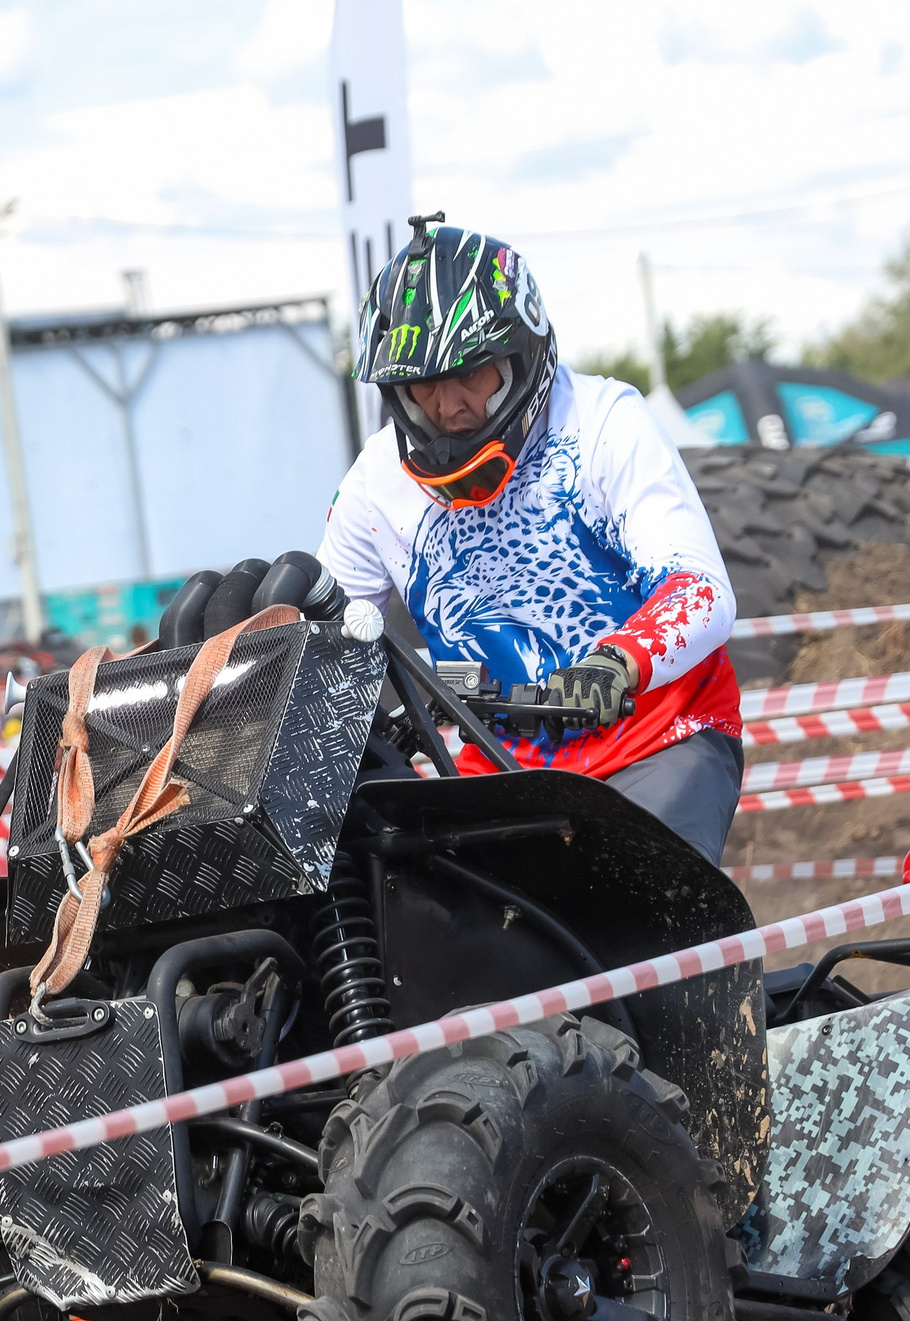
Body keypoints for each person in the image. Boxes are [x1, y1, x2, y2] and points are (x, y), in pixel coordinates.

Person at [313, 216, 742, 862]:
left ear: (519, 359)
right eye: (422, 385)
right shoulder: (374, 487)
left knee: (643, 925)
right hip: (501, 773)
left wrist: (617, 663)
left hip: (662, 739)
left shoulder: (603, 422)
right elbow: (326, 638)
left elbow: (702, 589)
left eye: (472, 374)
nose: (449, 405)